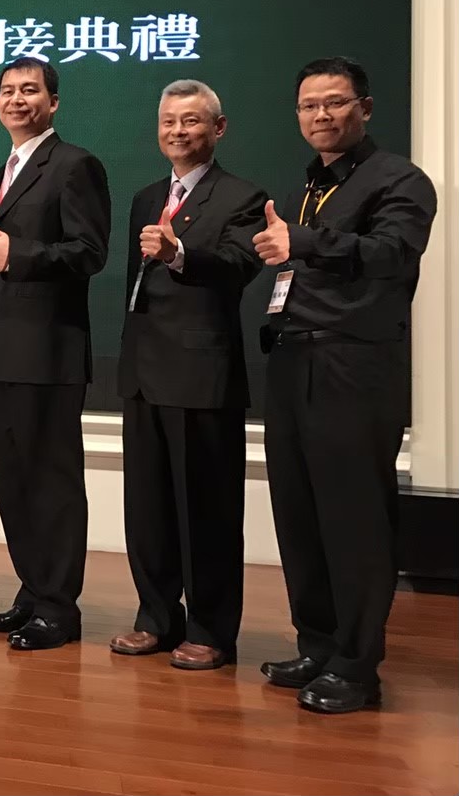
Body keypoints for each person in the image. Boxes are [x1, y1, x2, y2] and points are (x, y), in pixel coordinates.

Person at [252, 57, 436, 714]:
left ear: (365, 107)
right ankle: (319, 645)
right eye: (308, 105)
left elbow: (392, 254)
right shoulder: (308, 185)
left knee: (353, 519)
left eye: (334, 102)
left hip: (354, 368)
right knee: (299, 514)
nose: (320, 115)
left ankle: (357, 667)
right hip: (293, 361)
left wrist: (303, 242)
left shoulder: (400, 180)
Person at [112, 80, 266, 671]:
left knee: (207, 510)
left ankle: (210, 629)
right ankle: (156, 617)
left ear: (218, 129)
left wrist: (179, 254)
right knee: (147, 509)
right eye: (169, 121)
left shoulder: (243, 197)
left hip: (202, 377)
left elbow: (238, 266)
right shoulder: (147, 196)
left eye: (192, 121)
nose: (178, 131)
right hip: (143, 373)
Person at [0, 57, 110, 650]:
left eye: (30, 90)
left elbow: (90, 252)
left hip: (46, 353)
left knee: (50, 484)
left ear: (54, 101)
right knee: (14, 481)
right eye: (7, 90)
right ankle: (33, 590)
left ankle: (59, 607)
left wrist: (19, 256)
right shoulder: (5, 169)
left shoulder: (74, 164)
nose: (16, 99)